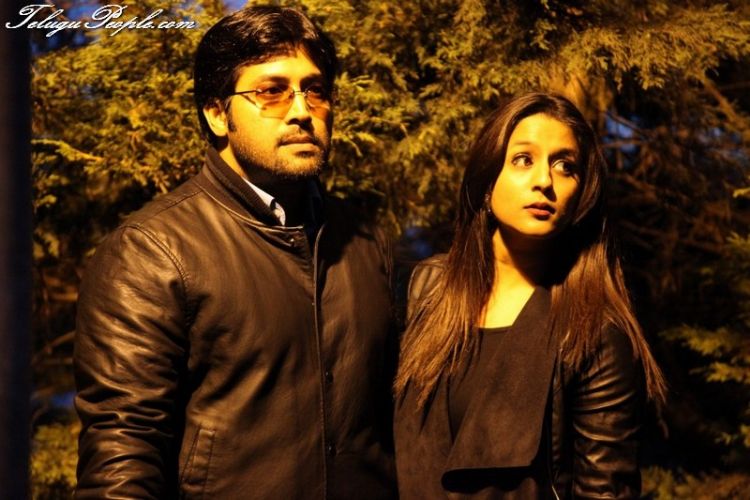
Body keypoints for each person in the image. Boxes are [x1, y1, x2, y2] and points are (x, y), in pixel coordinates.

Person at [74, 5, 397, 499]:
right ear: (216, 114)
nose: (301, 110)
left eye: (315, 89)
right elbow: (123, 451)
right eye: (271, 91)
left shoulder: (365, 241)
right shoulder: (151, 252)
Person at [393, 92, 666, 499]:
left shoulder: (594, 329)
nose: (544, 181)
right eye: (523, 159)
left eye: (565, 166)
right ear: (488, 182)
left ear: (582, 194)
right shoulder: (430, 288)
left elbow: (605, 491)